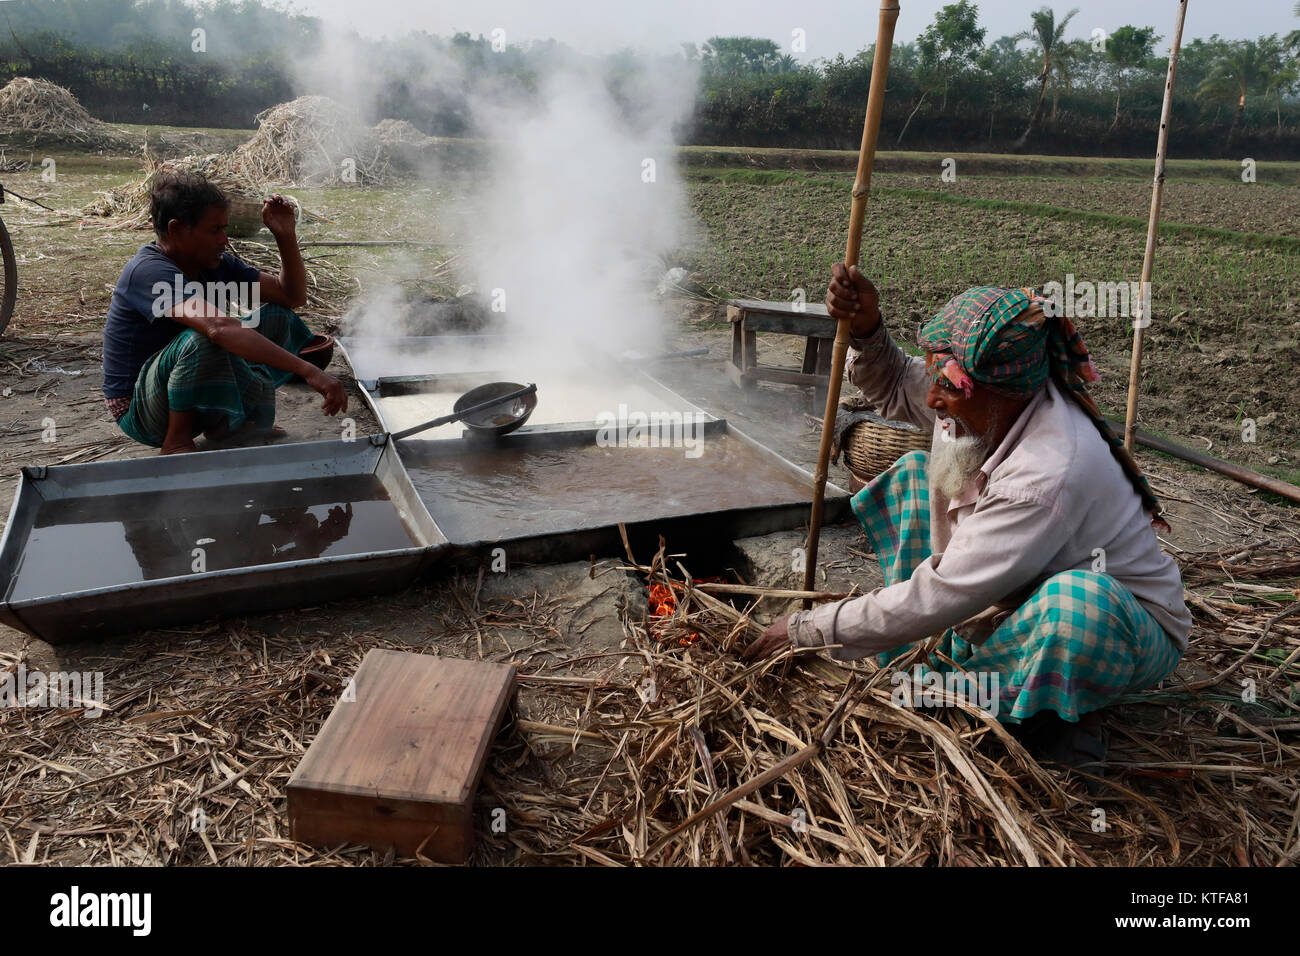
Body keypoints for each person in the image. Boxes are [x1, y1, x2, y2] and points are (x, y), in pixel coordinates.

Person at [745, 264, 1192, 777]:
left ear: (1003, 393)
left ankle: (1043, 718)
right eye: (936, 381)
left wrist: (809, 630)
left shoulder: (1047, 473)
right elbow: (895, 382)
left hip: (1122, 628)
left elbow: (945, 590)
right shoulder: (976, 398)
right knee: (917, 472)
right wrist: (868, 329)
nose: (935, 401)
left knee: (1078, 608)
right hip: (1011, 592)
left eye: (949, 391)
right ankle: (932, 653)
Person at [102, 171, 346, 454]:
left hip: (182, 388)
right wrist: (308, 371)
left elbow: (291, 297)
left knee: (279, 319)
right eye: (214, 230)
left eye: (224, 229)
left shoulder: (213, 263)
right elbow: (217, 327)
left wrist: (285, 236)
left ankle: (231, 425)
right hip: (141, 408)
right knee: (207, 338)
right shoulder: (148, 271)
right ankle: (176, 440)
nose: (224, 240)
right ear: (177, 229)